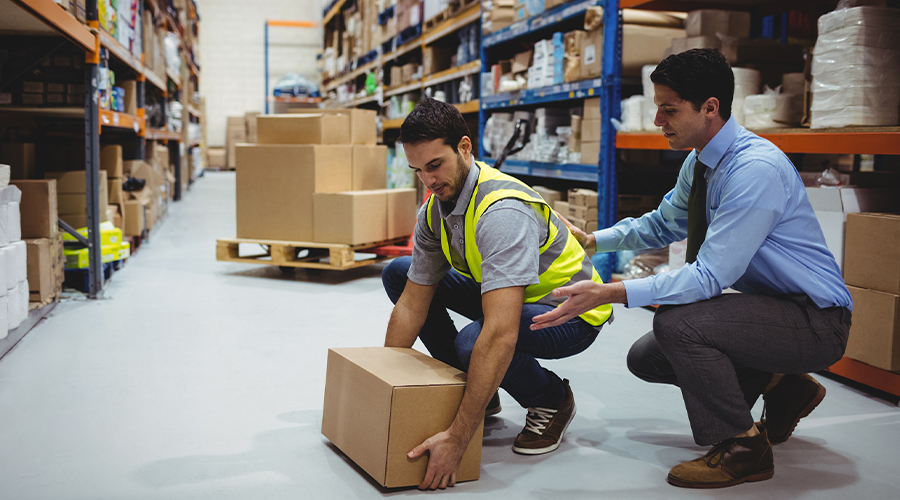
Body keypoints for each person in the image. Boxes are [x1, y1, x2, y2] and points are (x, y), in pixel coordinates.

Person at [533, 48, 852, 489]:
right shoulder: (701, 161)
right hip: (778, 308)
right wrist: (592, 240)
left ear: (710, 108)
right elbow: (663, 223)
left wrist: (612, 293)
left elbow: (709, 276)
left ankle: (743, 448)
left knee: (678, 325)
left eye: (669, 110)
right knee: (647, 358)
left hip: (817, 320)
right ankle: (785, 386)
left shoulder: (753, 170)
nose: (657, 120)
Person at [381, 98, 615, 490]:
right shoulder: (434, 212)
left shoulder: (502, 211)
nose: (428, 180)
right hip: (514, 296)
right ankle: (476, 391)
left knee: (476, 342)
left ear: (464, 148)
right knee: (399, 273)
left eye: (435, 165)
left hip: (569, 311)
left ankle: (552, 399)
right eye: (418, 170)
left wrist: (458, 437)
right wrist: (382, 385)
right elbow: (411, 305)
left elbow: (500, 333)